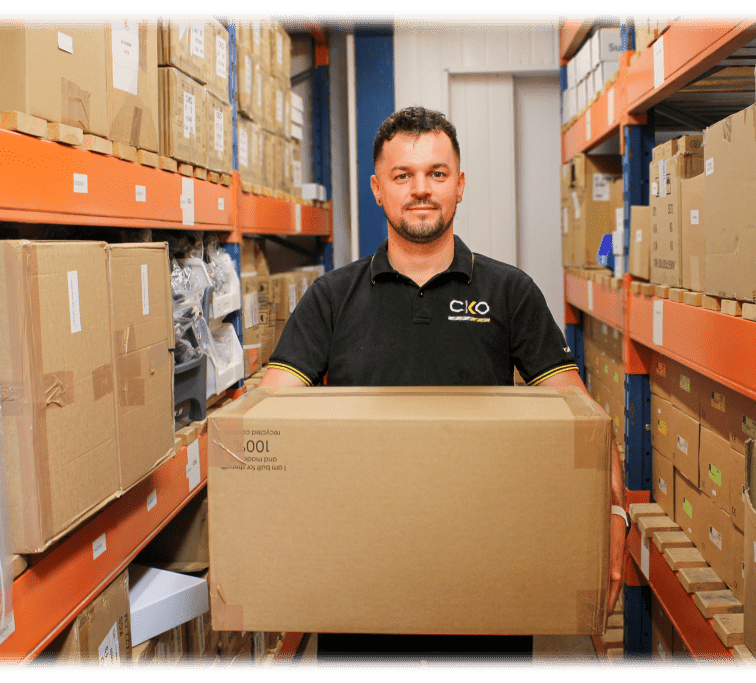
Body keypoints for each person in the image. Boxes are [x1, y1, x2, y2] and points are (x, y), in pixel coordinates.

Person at [260, 106, 627, 666]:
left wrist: (614, 514)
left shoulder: (509, 292)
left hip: (485, 565)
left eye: (436, 173)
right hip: (361, 571)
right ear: (378, 190)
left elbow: (575, 408)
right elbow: (271, 408)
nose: (421, 190)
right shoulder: (332, 298)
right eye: (403, 176)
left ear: (460, 186)